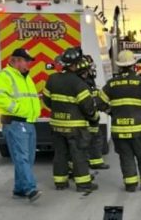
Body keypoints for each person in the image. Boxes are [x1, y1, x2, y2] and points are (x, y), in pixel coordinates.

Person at [100, 50, 141, 192]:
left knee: (125, 157)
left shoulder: (112, 84)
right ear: (134, 65)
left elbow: (99, 101)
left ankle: (130, 184)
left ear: (119, 66)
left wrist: (111, 112)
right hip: (138, 128)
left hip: (118, 130)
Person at [42, 47, 99, 193]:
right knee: (78, 154)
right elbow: (88, 108)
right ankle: (83, 184)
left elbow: (47, 101)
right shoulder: (79, 83)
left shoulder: (53, 79)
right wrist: (94, 118)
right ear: (75, 64)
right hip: (75, 127)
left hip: (56, 125)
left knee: (60, 154)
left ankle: (60, 183)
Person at [0, 48, 42, 202]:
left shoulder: (25, 77)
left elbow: (27, 97)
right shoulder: (4, 76)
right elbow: (1, 98)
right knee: (22, 158)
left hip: (28, 122)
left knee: (28, 158)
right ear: (15, 60)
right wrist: (19, 110)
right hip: (16, 122)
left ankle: (19, 189)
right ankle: (30, 189)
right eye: (26, 61)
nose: (28, 64)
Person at [76, 55, 110, 170]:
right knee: (92, 138)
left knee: (95, 137)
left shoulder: (85, 80)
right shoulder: (84, 81)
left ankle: (95, 161)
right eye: (90, 67)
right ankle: (93, 162)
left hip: (89, 115)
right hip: (87, 116)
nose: (92, 70)